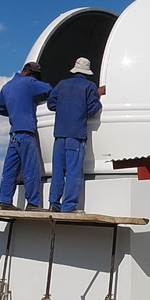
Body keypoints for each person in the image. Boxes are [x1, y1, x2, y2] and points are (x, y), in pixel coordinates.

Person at [47, 57, 104, 212]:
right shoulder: (89, 86)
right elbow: (92, 109)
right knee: (74, 171)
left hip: (60, 133)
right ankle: (69, 206)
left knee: (58, 170)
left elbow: (51, 104)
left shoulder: (62, 84)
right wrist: (98, 98)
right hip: (76, 134)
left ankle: (54, 203)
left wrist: (65, 107)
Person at [0, 61, 51, 210]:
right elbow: (50, 90)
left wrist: (15, 111)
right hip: (26, 132)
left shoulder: (7, 86)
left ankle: (4, 202)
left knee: (10, 169)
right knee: (30, 167)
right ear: (30, 73)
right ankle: (33, 203)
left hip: (14, 133)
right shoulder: (29, 82)